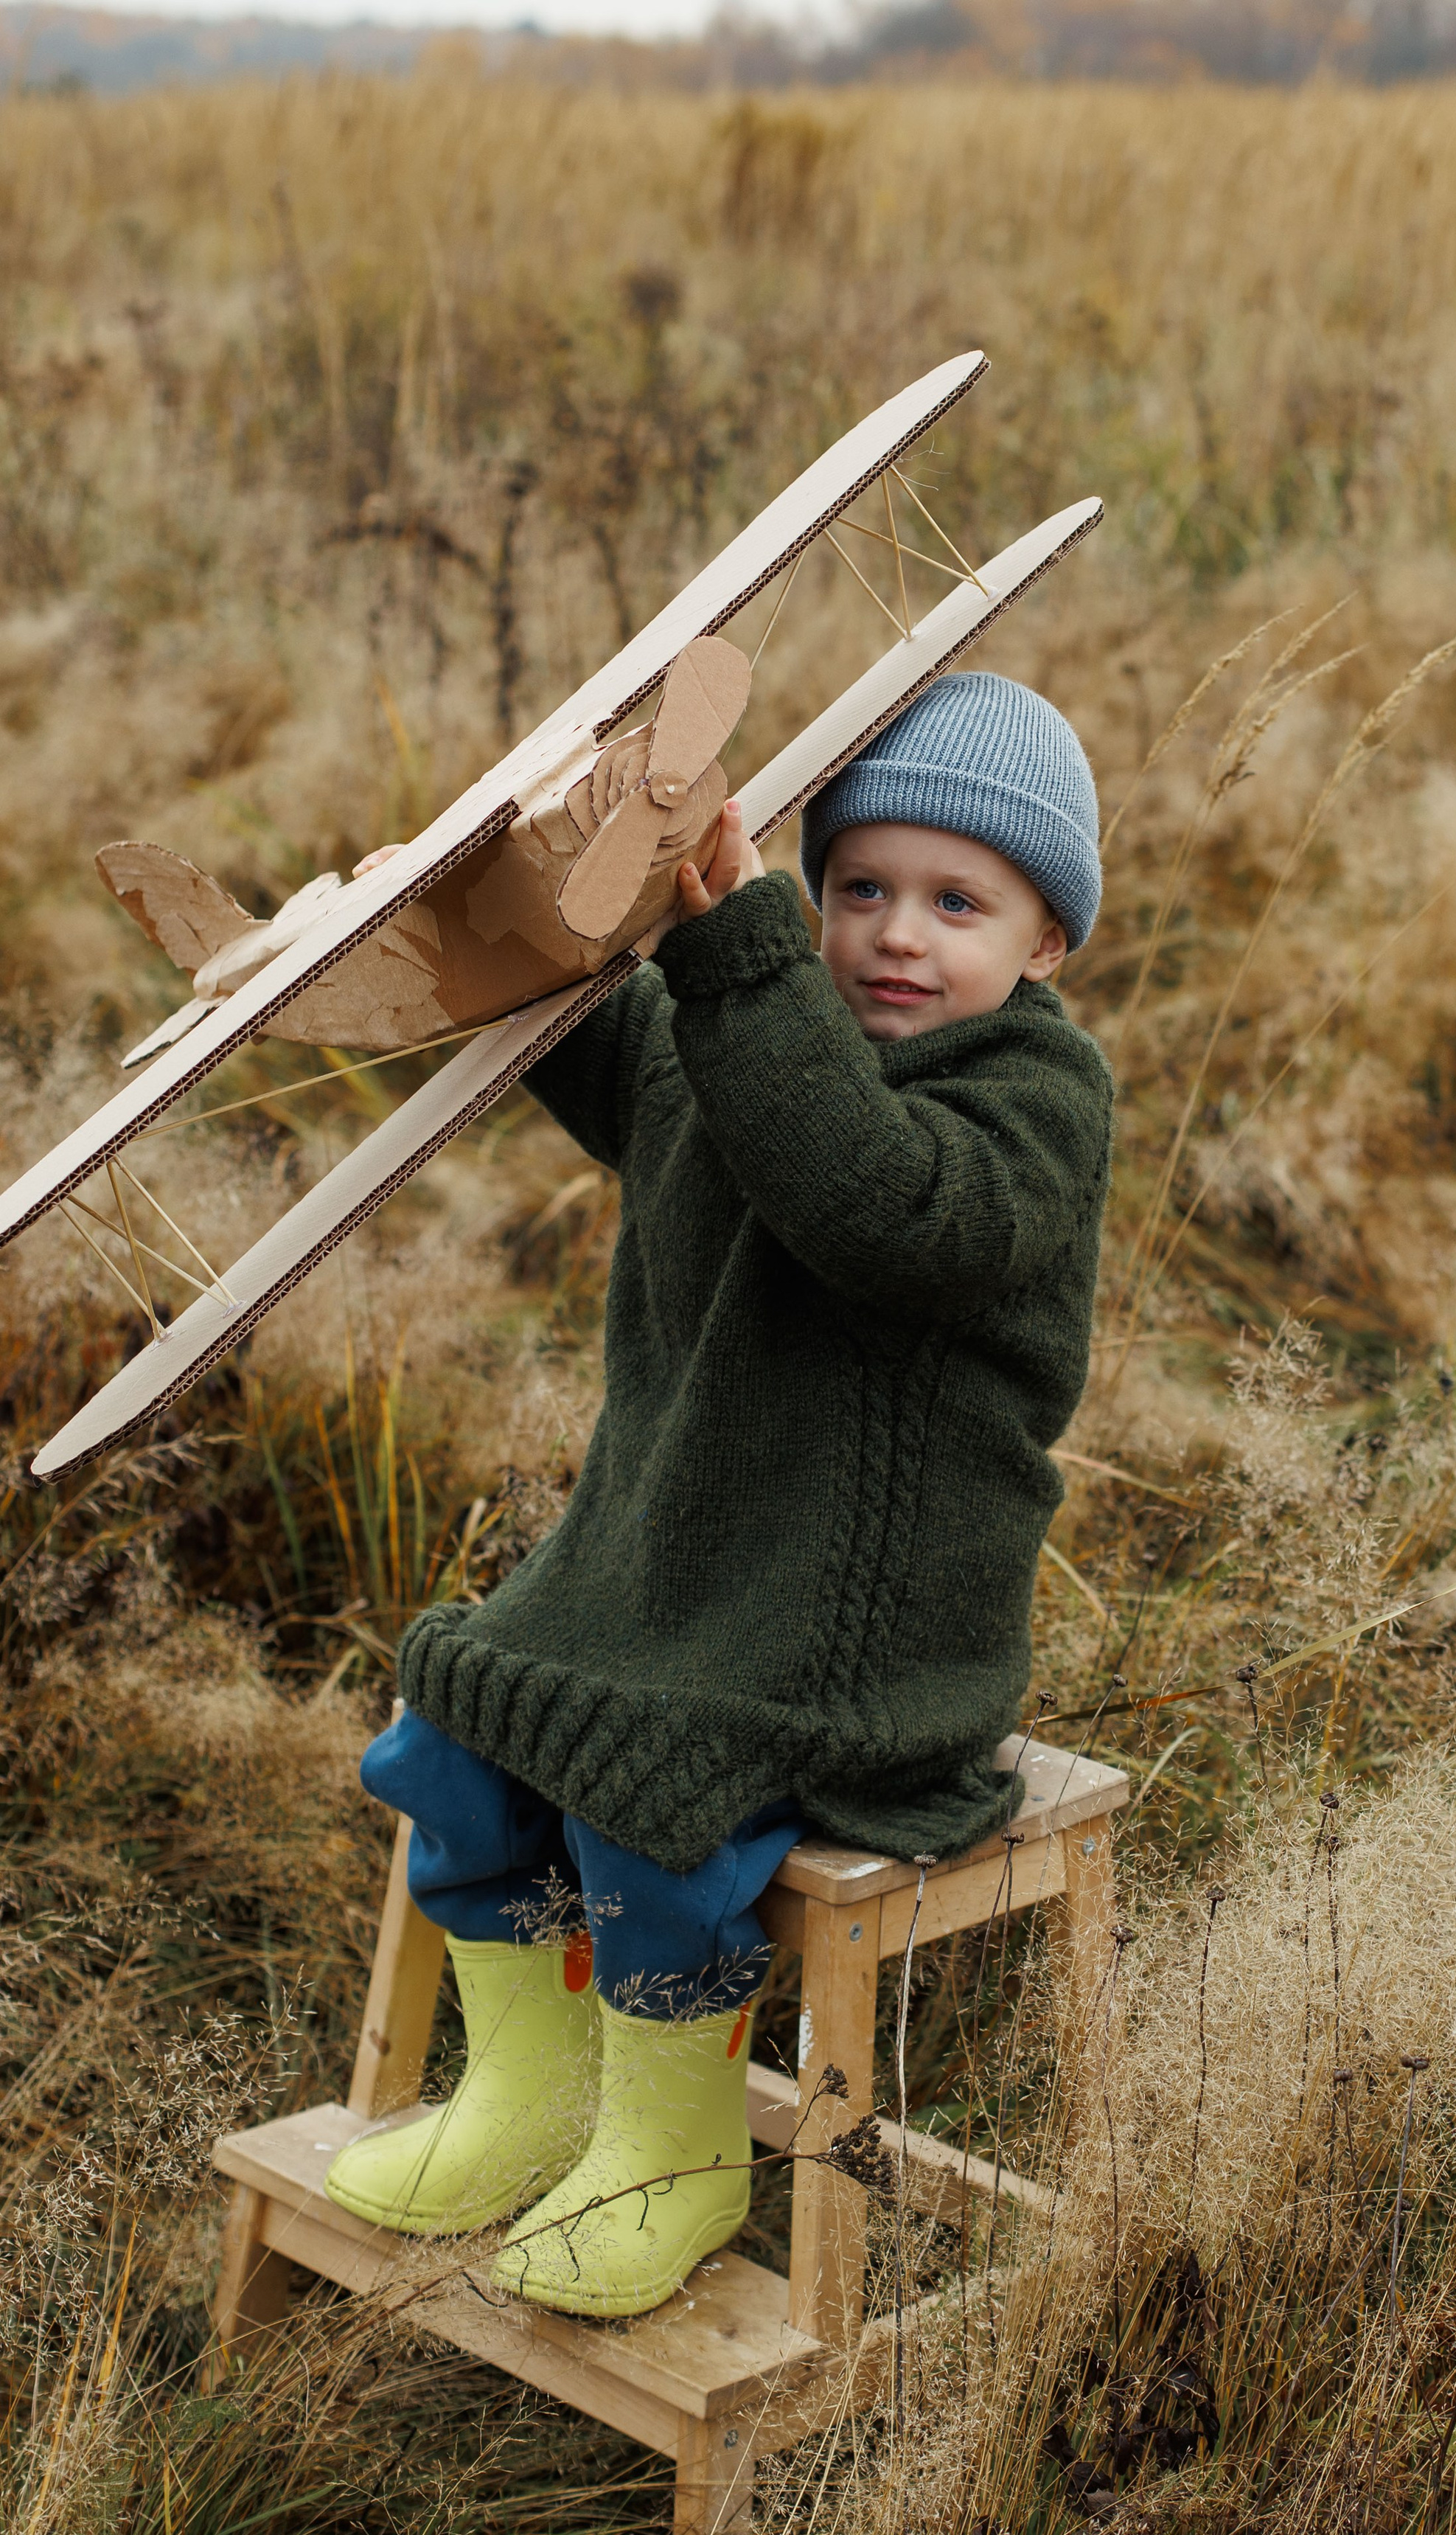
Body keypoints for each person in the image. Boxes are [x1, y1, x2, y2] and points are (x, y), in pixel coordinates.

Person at [322, 670, 1113, 2318]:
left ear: (1045, 944)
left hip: (870, 1632)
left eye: (956, 903)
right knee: (463, 1713)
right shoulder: (757, 1023)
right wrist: (517, 920)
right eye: (856, 890)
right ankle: (533, 2094)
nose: (898, 934)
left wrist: (740, 948)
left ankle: (675, 2146)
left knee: (651, 1768)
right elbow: (626, 1052)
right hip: (687, 1562)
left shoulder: (1031, 1102)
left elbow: (877, 1204)